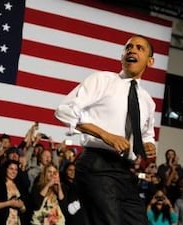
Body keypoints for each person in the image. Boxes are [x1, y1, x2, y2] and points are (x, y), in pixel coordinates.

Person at [55, 35, 157, 225]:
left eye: (139, 48)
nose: (132, 50)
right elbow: (65, 110)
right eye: (128, 47)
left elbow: (147, 133)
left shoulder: (147, 101)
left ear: (150, 61)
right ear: (122, 55)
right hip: (97, 165)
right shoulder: (103, 80)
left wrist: (148, 143)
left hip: (125, 172)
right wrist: (105, 135)